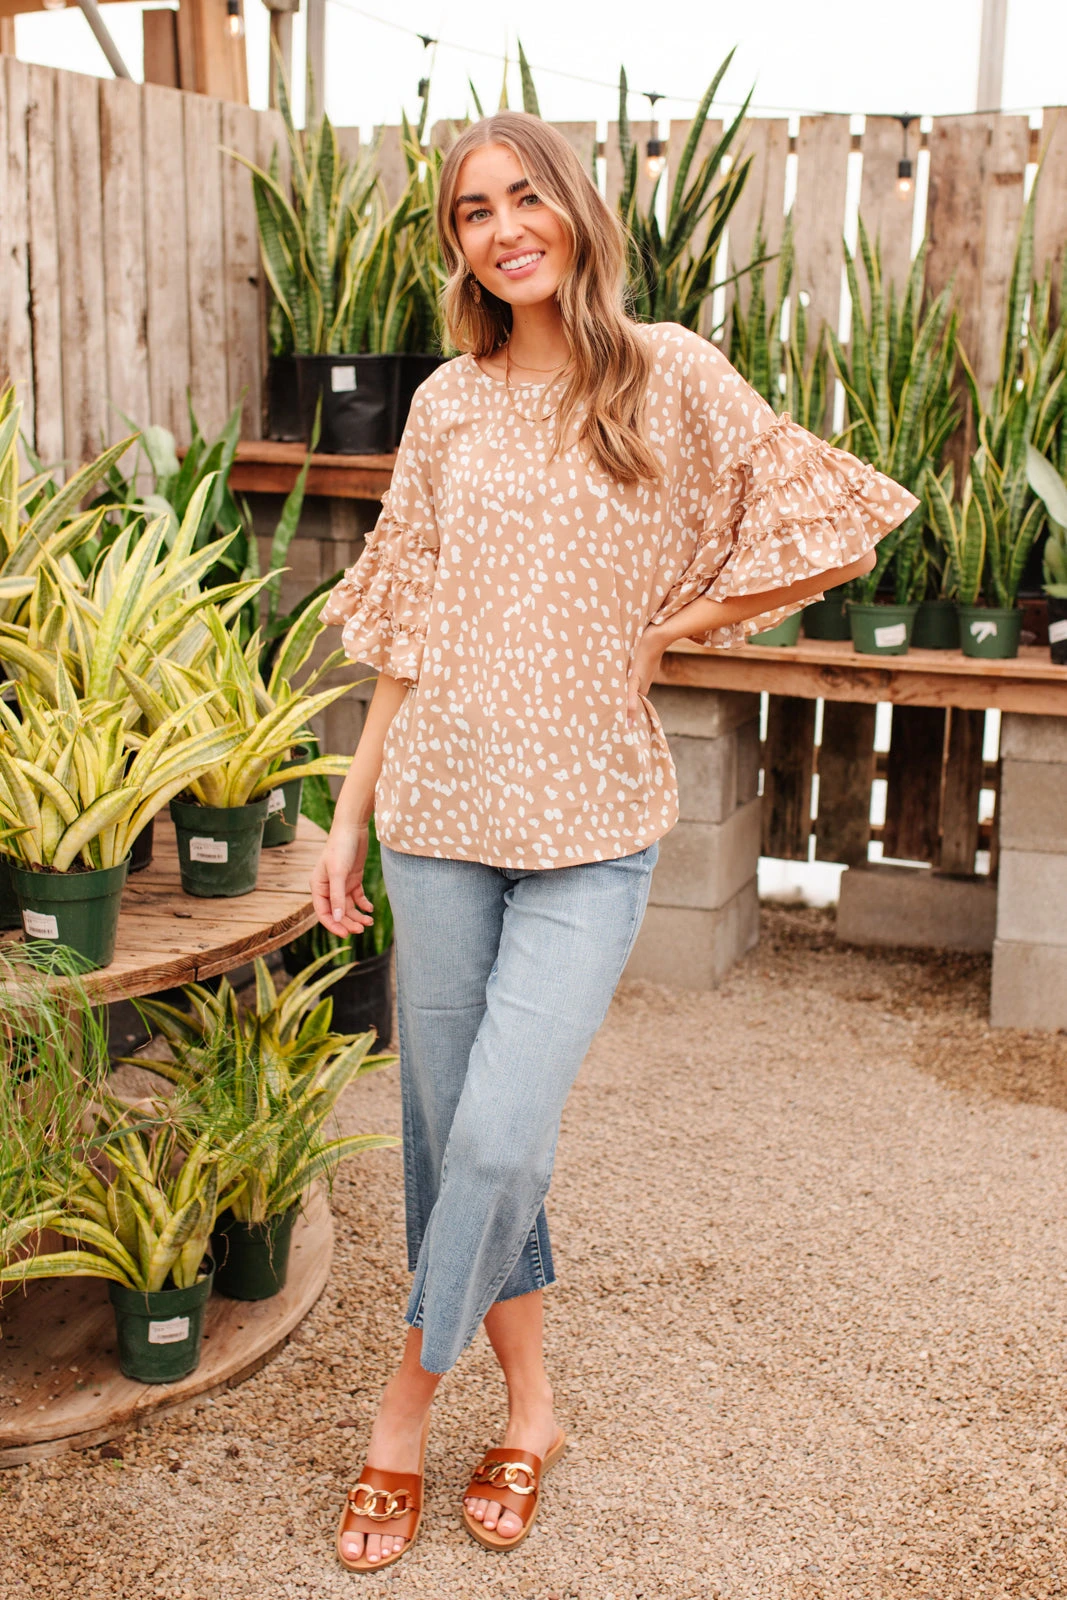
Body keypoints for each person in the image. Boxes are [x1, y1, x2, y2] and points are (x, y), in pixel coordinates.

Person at [313, 110, 919, 1573]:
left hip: (592, 822)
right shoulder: (446, 403)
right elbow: (405, 622)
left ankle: (401, 1413)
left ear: (574, 211)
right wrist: (347, 810)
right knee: (452, 1136)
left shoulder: (669, 372)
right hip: (438, 813)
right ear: (457, 245)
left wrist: (681, 623)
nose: (503, 228)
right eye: (473, 211)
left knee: (501, 1132)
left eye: (525, 198)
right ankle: (532, 1409)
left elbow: (834, 525)